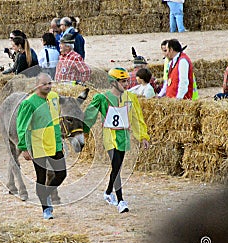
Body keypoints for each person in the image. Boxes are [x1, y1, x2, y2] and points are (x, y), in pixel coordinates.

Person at [83, 67, 150, 213]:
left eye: (127, 81)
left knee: (116, 167)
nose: (126, 84)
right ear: (113, 83)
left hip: (123, 137)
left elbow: (137, 119)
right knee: (117, 166)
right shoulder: (102, 98)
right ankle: (121, 200)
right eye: (123, 81)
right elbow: (90, 115)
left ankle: (107, 192)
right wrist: (83, 130)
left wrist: (143, 136)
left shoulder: (131, 98)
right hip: (110, 138)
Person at [16, 73, 68, 220]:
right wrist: (24, 148)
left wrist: (60, 142)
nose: (48, 86)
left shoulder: (53, 98)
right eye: (45, 84)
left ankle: (44, 194)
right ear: (37, 85)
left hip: (54, 144)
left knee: (61, 174)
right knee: (41, 177)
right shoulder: (29, 103)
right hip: (38, 146)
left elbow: (56, 122)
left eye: (50, 83)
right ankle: (45, 208)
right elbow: (22, 127)